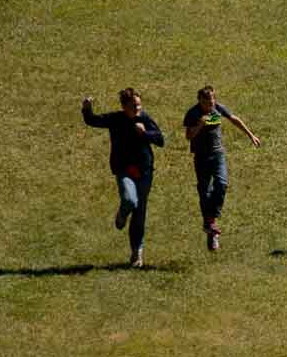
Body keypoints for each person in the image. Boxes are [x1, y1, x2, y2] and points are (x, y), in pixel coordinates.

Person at [80, 88, 165, 268]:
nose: (138, 108)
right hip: (124, 169)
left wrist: (145, 133)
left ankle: (137, 252)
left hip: (145, 170)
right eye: (134, 105)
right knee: (129, 199)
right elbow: (92, 120)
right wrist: (87, 108)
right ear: (124, 106)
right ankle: (121, 214)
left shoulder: (144, 119)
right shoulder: (116, 119)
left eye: (139, 104)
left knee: (140, 212)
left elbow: (160, 139)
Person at [182, 86, 260, 252]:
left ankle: (211, 220)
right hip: (201, 156)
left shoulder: (217, 108)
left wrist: (250, 135)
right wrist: (199, 125)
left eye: (212, 100)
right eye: (206, 101)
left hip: (218, 154)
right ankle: (211, 228)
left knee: (222, 183)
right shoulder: (193, 113)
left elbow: (233, 118)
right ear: (199, 101)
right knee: (204, 191)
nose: (210, 103)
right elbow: (188, 136)